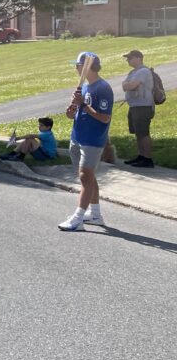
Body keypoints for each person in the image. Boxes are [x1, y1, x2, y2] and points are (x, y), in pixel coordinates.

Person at [59, 52, 113, 231]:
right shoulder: (83, 87)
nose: (76, 68)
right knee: (88, 178)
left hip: (92, 139)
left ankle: (78, 218)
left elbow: (105, 118)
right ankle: (95, 214)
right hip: (77, 136)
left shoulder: (103, 88)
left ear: (87, 67)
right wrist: (72, 108)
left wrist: (83, 105)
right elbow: (71, 114)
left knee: (85, 177)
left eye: (78, 65)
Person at [121, 49, 155, 168]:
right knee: (138, 132)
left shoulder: (143, 71)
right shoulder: (133, 72)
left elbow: (131, 85)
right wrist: (128, 86)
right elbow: (125, 85)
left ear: (139, 58)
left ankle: (147, 158)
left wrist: (128, 85)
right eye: (127, 58)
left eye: (130, 58)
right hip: (134, 106)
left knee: (143, 132)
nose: (128, 60)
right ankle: (141, 156)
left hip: (143, 105)